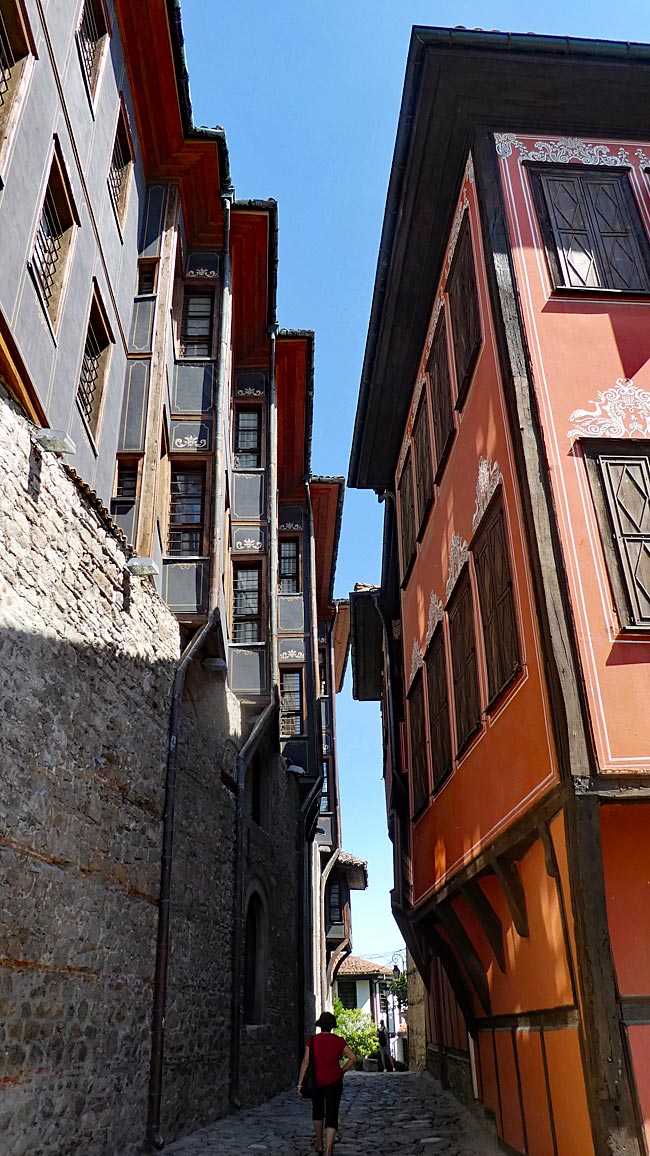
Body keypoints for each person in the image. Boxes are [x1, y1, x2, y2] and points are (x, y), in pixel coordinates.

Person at [297, 1010, 357, 1156]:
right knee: (332, 1113)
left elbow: (306, 1062)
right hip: (334, 1082)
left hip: (316, 1081)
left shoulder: (312, 1041)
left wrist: (300, 1084)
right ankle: (329, 1150)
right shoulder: (338, 1041)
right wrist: (342, 1071)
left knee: (317, 1111)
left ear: (320, 1026)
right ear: (332, 1026)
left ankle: (319, 1143)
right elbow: (353, 1058)